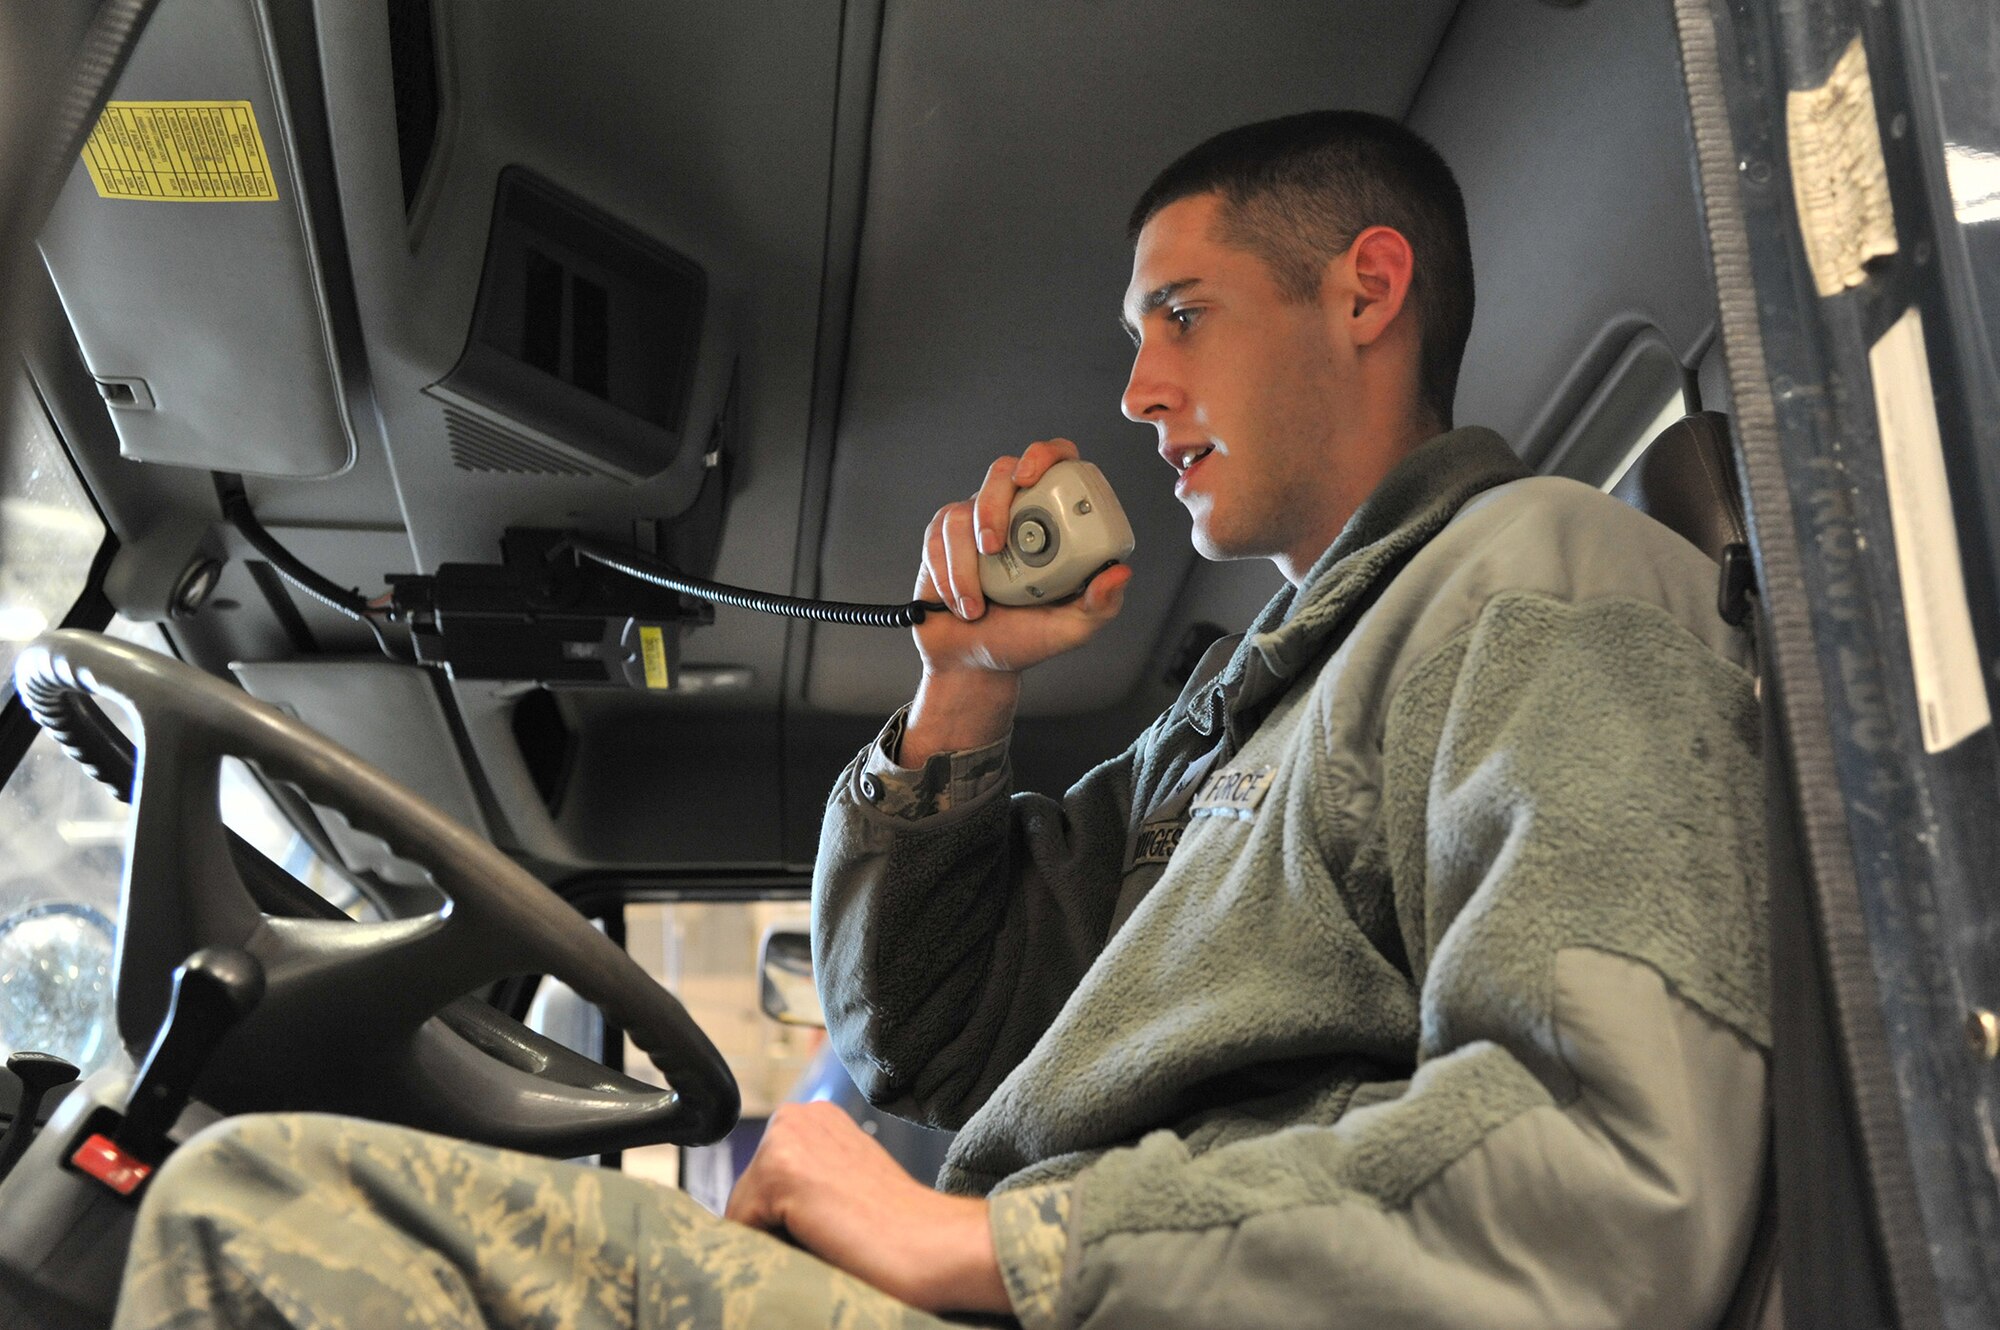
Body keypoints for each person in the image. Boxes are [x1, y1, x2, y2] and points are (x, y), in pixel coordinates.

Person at [114, 110, 1769, 1330]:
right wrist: (965, 687)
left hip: (1057, 1298)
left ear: (1366, 289)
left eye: (1178, 317)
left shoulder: (1546, 588)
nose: (1135, 394)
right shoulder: (1258, 701)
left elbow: (1611, 1171)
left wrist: (992, 1245)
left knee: (258, 1202)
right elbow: (926, 1029)